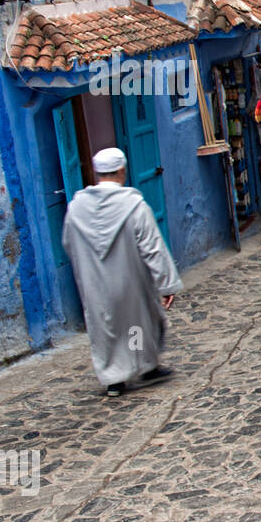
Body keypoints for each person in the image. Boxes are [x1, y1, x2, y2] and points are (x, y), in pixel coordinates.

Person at [62, 147, 183, 397]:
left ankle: (113, 379)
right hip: (130, 280)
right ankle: (145, 367)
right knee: (138, 323)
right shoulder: (133, 205)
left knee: (104, 327)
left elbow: (68, 242)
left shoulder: (76, 207)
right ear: (121, 171)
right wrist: (166, 284)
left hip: (95, 282)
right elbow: (152, 248)